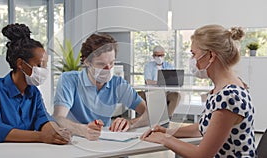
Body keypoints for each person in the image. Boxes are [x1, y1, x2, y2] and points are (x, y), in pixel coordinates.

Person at [141, 24, 256, 157]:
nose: (192, 60)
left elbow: (202, 155)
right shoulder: (224, 89)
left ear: (211, 56)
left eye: (194, 54)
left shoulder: (229, 97)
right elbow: (203, 127)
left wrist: (164, 139)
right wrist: (167, 131)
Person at [0, 23, 70, 144]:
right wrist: (41, 136)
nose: (44, 71)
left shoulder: (33, 92)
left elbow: (43, 118)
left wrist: (55, 132)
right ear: (20, 64)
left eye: (45, 66)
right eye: (39, 65)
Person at [53, 33, 148, 140]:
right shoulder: (69, 80)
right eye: (101, 64)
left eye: (112, 63)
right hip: (75, 140)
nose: (108, 68)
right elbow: (58, 118)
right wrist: (83, 130)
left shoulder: (118, 83)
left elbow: (149, 114)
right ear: (87, 62)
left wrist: (130, 123)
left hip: (105, 140)